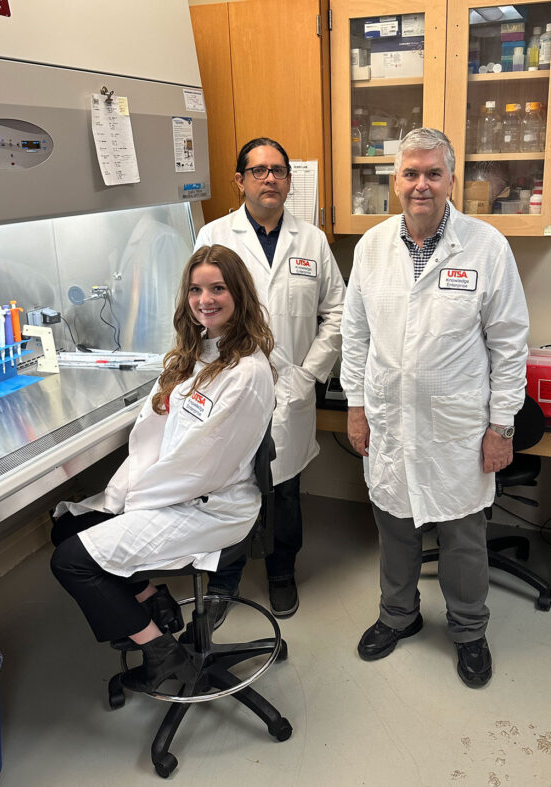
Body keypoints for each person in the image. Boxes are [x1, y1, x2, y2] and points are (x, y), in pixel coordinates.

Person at [340, 128, 529, 688]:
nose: (421, 184)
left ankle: (469, 630)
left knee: (462, 536)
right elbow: (355, 335)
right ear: (395, 180)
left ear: (451, 180)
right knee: (394, 525)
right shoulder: (371, 247)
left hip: (458, 427)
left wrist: (501, 425)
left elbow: (510, 342)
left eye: (433, 173)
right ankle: (398, 616)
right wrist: (355, 405)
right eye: (411, 174)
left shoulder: (486, 246)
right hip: (389, 419)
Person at [50, 244, 276, 693]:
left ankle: (163, 653)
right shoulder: (198, 352)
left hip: (210, 505)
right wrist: (131, 495)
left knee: (71, 562)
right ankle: (152, 601)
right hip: (173, 488)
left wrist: (136, 501)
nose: (204, 299)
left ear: (240, 296)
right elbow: (163, 428)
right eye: (196, 289)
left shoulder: (246, 372)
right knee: (65, 527)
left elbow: (203, 466)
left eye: (217, 289)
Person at [194, 137, 345, 617]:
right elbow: (199, 311)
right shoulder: (214, 237)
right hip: (231, 386)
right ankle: (224, 581)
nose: (269, 179)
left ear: (288, 180)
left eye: (278, 171)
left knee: (284, 490)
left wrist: (308, 377)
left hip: (291, 390)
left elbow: (338, 313)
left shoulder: (313, 240)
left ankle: (282, 575)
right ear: (240, 181)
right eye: (258, 171)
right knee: (226, 486)